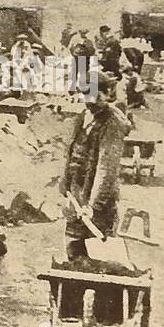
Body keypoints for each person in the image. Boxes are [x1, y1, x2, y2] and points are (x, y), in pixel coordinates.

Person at [60, 74, 133, 260]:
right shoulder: (84, 116)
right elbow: (70, 150)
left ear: (108, 93)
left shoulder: (112, 123)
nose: (89, 101)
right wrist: (65, 182)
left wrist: (94, 204)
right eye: (85, 95)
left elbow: (106, 168)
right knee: (74, 244)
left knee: (98, 249)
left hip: (98, 196)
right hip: (77, 190)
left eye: (95, 95)